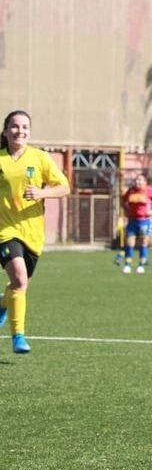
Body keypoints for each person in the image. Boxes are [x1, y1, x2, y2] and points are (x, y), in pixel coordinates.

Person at [0, 110, 71, 353]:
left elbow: (64, 187)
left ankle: (2, 305)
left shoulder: (40, 158)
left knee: (20, 285)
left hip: (33, 233)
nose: (20, 131)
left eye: (25, 127)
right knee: (19, 279)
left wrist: (42, 193)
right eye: (15, 126)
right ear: (5, 130)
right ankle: (18, 337)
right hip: (5, 230)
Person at [120, 173, 152, 274]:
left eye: (140, 180)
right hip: (132, 220)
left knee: (143, 243)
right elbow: (123, 200)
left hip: (145, 221)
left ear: (145, 182)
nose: (137, 182)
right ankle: (127, 265)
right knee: (130, 243)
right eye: (136, 180)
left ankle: (141, 265)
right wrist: (126, 210)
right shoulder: (131, 191)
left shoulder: (148, 190)